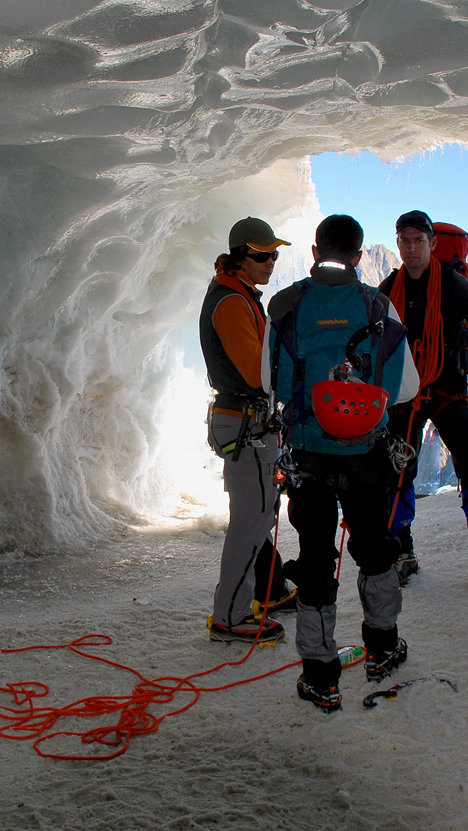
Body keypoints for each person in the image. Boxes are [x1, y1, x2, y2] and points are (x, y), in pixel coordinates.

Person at [265, 214, 420, 712]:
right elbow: (407, 389)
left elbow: (268, 384)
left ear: (314, 252)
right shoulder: (379, 306)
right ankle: (381, 646)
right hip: (364, 454)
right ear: (358, 256)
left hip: (308, 455)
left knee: (315, 559)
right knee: (375, 549)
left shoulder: (286, 306)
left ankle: (320, 675)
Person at [377, 209, 468, 585]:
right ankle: (401, 550)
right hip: (407, 393)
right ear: (398, 244)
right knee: (399, 471)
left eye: (418, 240)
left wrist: (456, 339)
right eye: (404, 241)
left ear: (432, 244)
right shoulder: (390, 287)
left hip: (447, 388)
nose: (411, 248)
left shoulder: (453, 284)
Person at [200, 217, 298, 644]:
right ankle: (232, 616)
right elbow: (258, 375)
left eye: (274, 254)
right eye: (261, 254)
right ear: (240, 257)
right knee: (252, 520)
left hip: (242, 422)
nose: (270, 261)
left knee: (254, 517)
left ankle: (238, 607)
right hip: (245, 424)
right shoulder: (233, 302)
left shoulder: (236, 295)